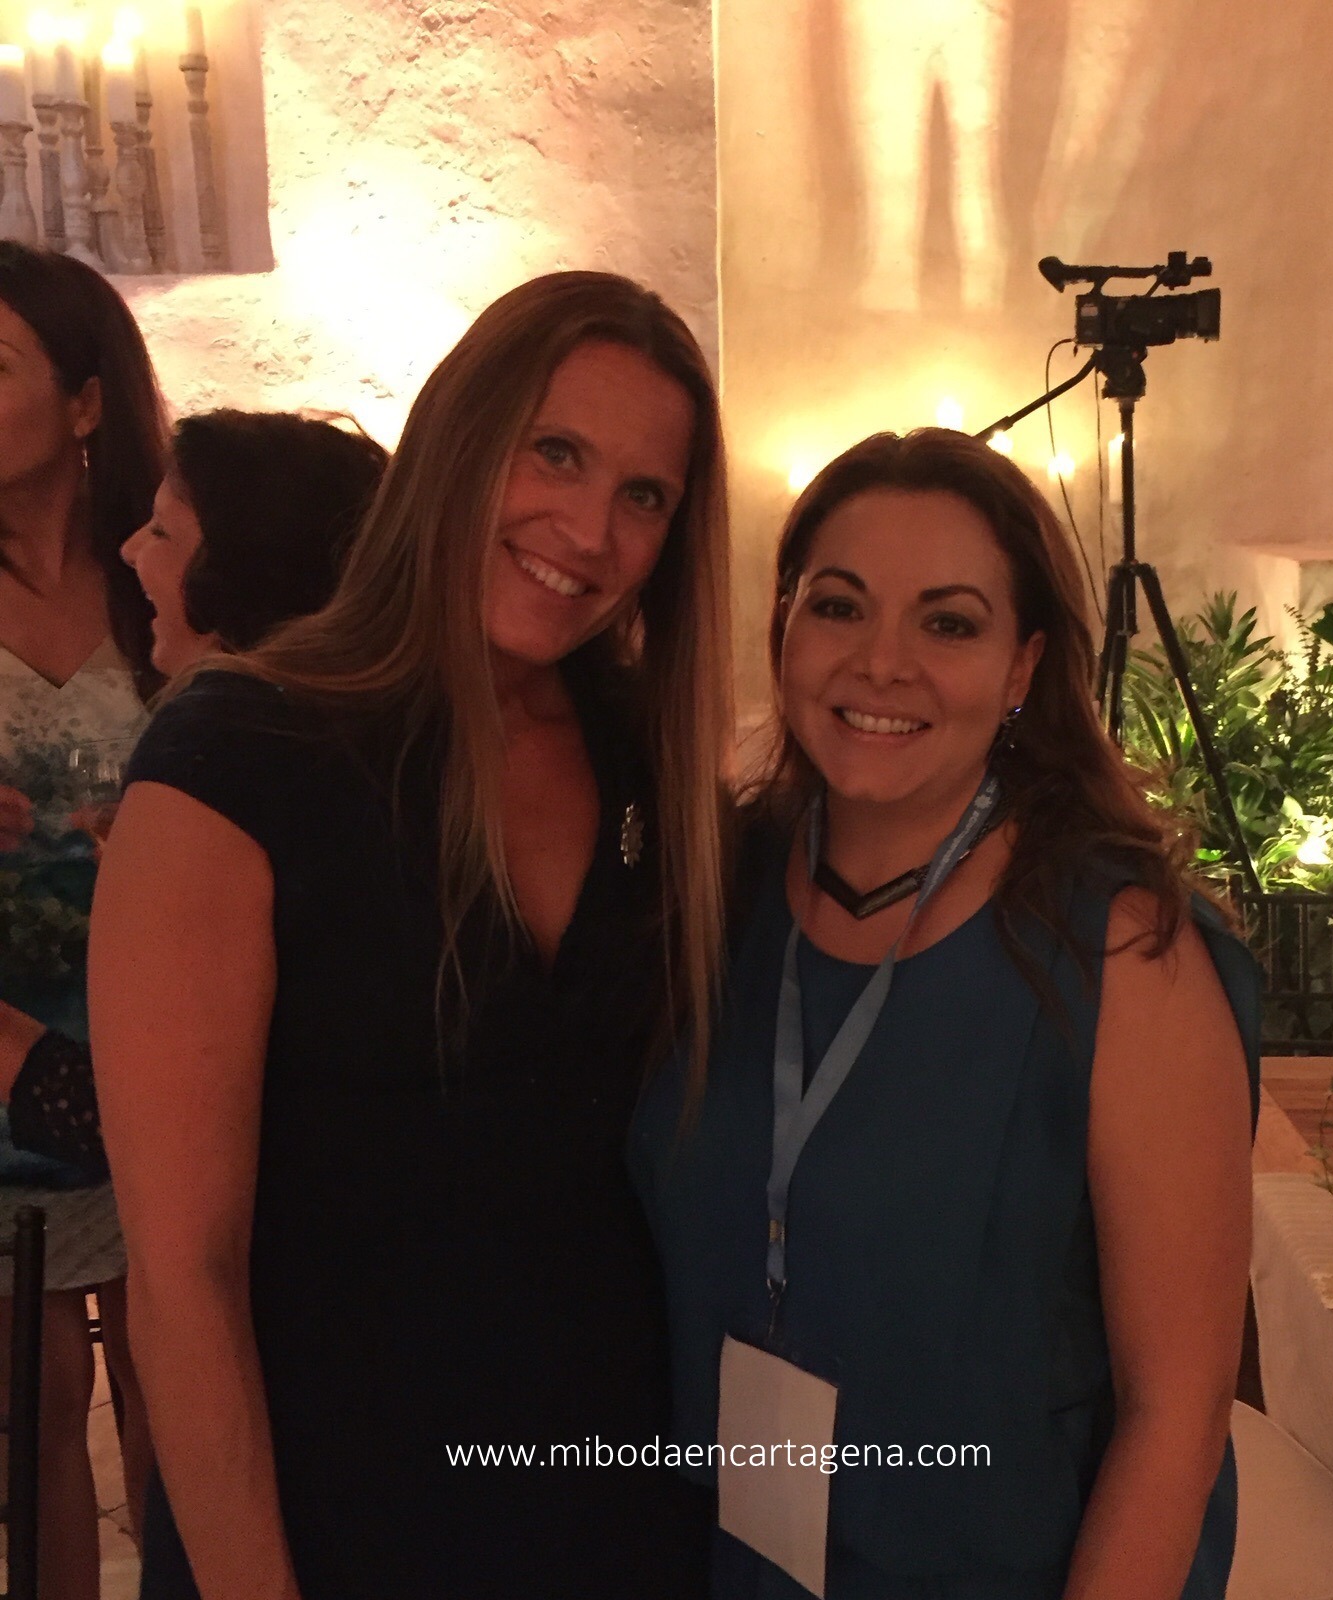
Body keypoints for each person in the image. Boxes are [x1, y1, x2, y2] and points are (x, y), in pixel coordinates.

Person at [90, 272, 732, 1598]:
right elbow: (183, 1277)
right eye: (555, 453)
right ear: (459, 439)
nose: (588, 530)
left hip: (611, 1513)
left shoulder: (648, 765)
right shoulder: (239, 755)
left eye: (644, 495)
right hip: (323, 1517)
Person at [633, 429, 1260, 1600]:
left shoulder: (1121, 951)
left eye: (948, 623)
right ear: (782, 628)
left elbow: (1175, 1413)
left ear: (1023, 667)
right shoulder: (712, 892)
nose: (883, 663)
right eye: (839, 607)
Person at [0, 409, 390, 1178]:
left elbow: (153, 1129)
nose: (128, 550)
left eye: (162, 532)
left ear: (236, 575)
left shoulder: (230, 751)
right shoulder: (344, 746)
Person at [0, 240, 165, 1600]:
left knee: (182, 1392)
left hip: (165, 1043)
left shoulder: (168, 575)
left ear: (87, 401)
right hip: (2, 1052)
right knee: (35, 1410)